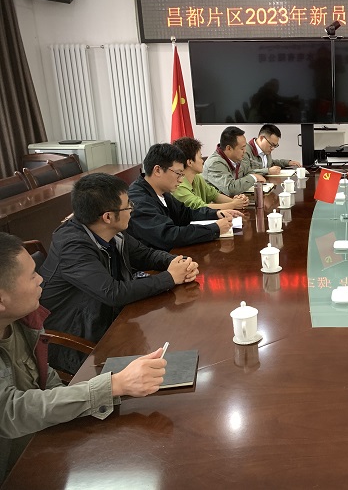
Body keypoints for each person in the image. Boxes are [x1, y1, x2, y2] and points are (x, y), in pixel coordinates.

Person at [0, 232, 167, 480]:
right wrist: (113, 385)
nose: (41, 279)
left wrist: (109, 390)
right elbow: (11, 411)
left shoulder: (26, 320)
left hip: (42, 445)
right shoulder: (73, 244)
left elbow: (49, 382)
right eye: (32, 275)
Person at [40, 173, 199, 374]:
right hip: (78, 341)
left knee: (177, 339)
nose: (132, 208)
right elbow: (113, 293)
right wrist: (170, 278)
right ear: (107, 216)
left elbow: (144, 254)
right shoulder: (72, 247)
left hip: (110, 320)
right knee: (167, 364)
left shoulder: (110, 230)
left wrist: (178, 263)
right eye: (128, 206)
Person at [129, 144, 235, 251]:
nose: (181, 180)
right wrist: (214, 229)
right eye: (178, 173)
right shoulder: (138, 200)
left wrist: (215, 214)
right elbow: (169, 235)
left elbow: (185, 213)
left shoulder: (162, 191)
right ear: (157, 170)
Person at [172, 137, 249, 210]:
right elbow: (201, 207)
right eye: (200, 157)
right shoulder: (178, 186)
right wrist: (233, 204)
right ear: (190, 162)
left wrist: (237, 201)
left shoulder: (197, 178)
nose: (202, 161)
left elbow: (214, 195)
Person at [203, 126, 266, 196]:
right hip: (215, 202)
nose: (245, 151)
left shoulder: (236, 158)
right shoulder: (214, 163)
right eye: (242, 148)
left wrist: (265, 172)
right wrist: (254, 177)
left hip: (234, 200)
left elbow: (248, 172)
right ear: (229, 148)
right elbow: (231, 189)